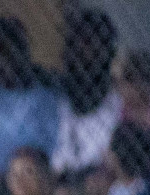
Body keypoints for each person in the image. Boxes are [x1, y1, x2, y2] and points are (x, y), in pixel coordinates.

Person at [0, 16, 59, 179]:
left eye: (10, 50)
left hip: (37, 176)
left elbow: (54, 146)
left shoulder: (44, 96)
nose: (4, 59)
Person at [52, 8, 122, 178]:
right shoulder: (56, 101)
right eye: (78, 45)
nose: (84, 54)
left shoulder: (119, 102)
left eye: (92, 45)